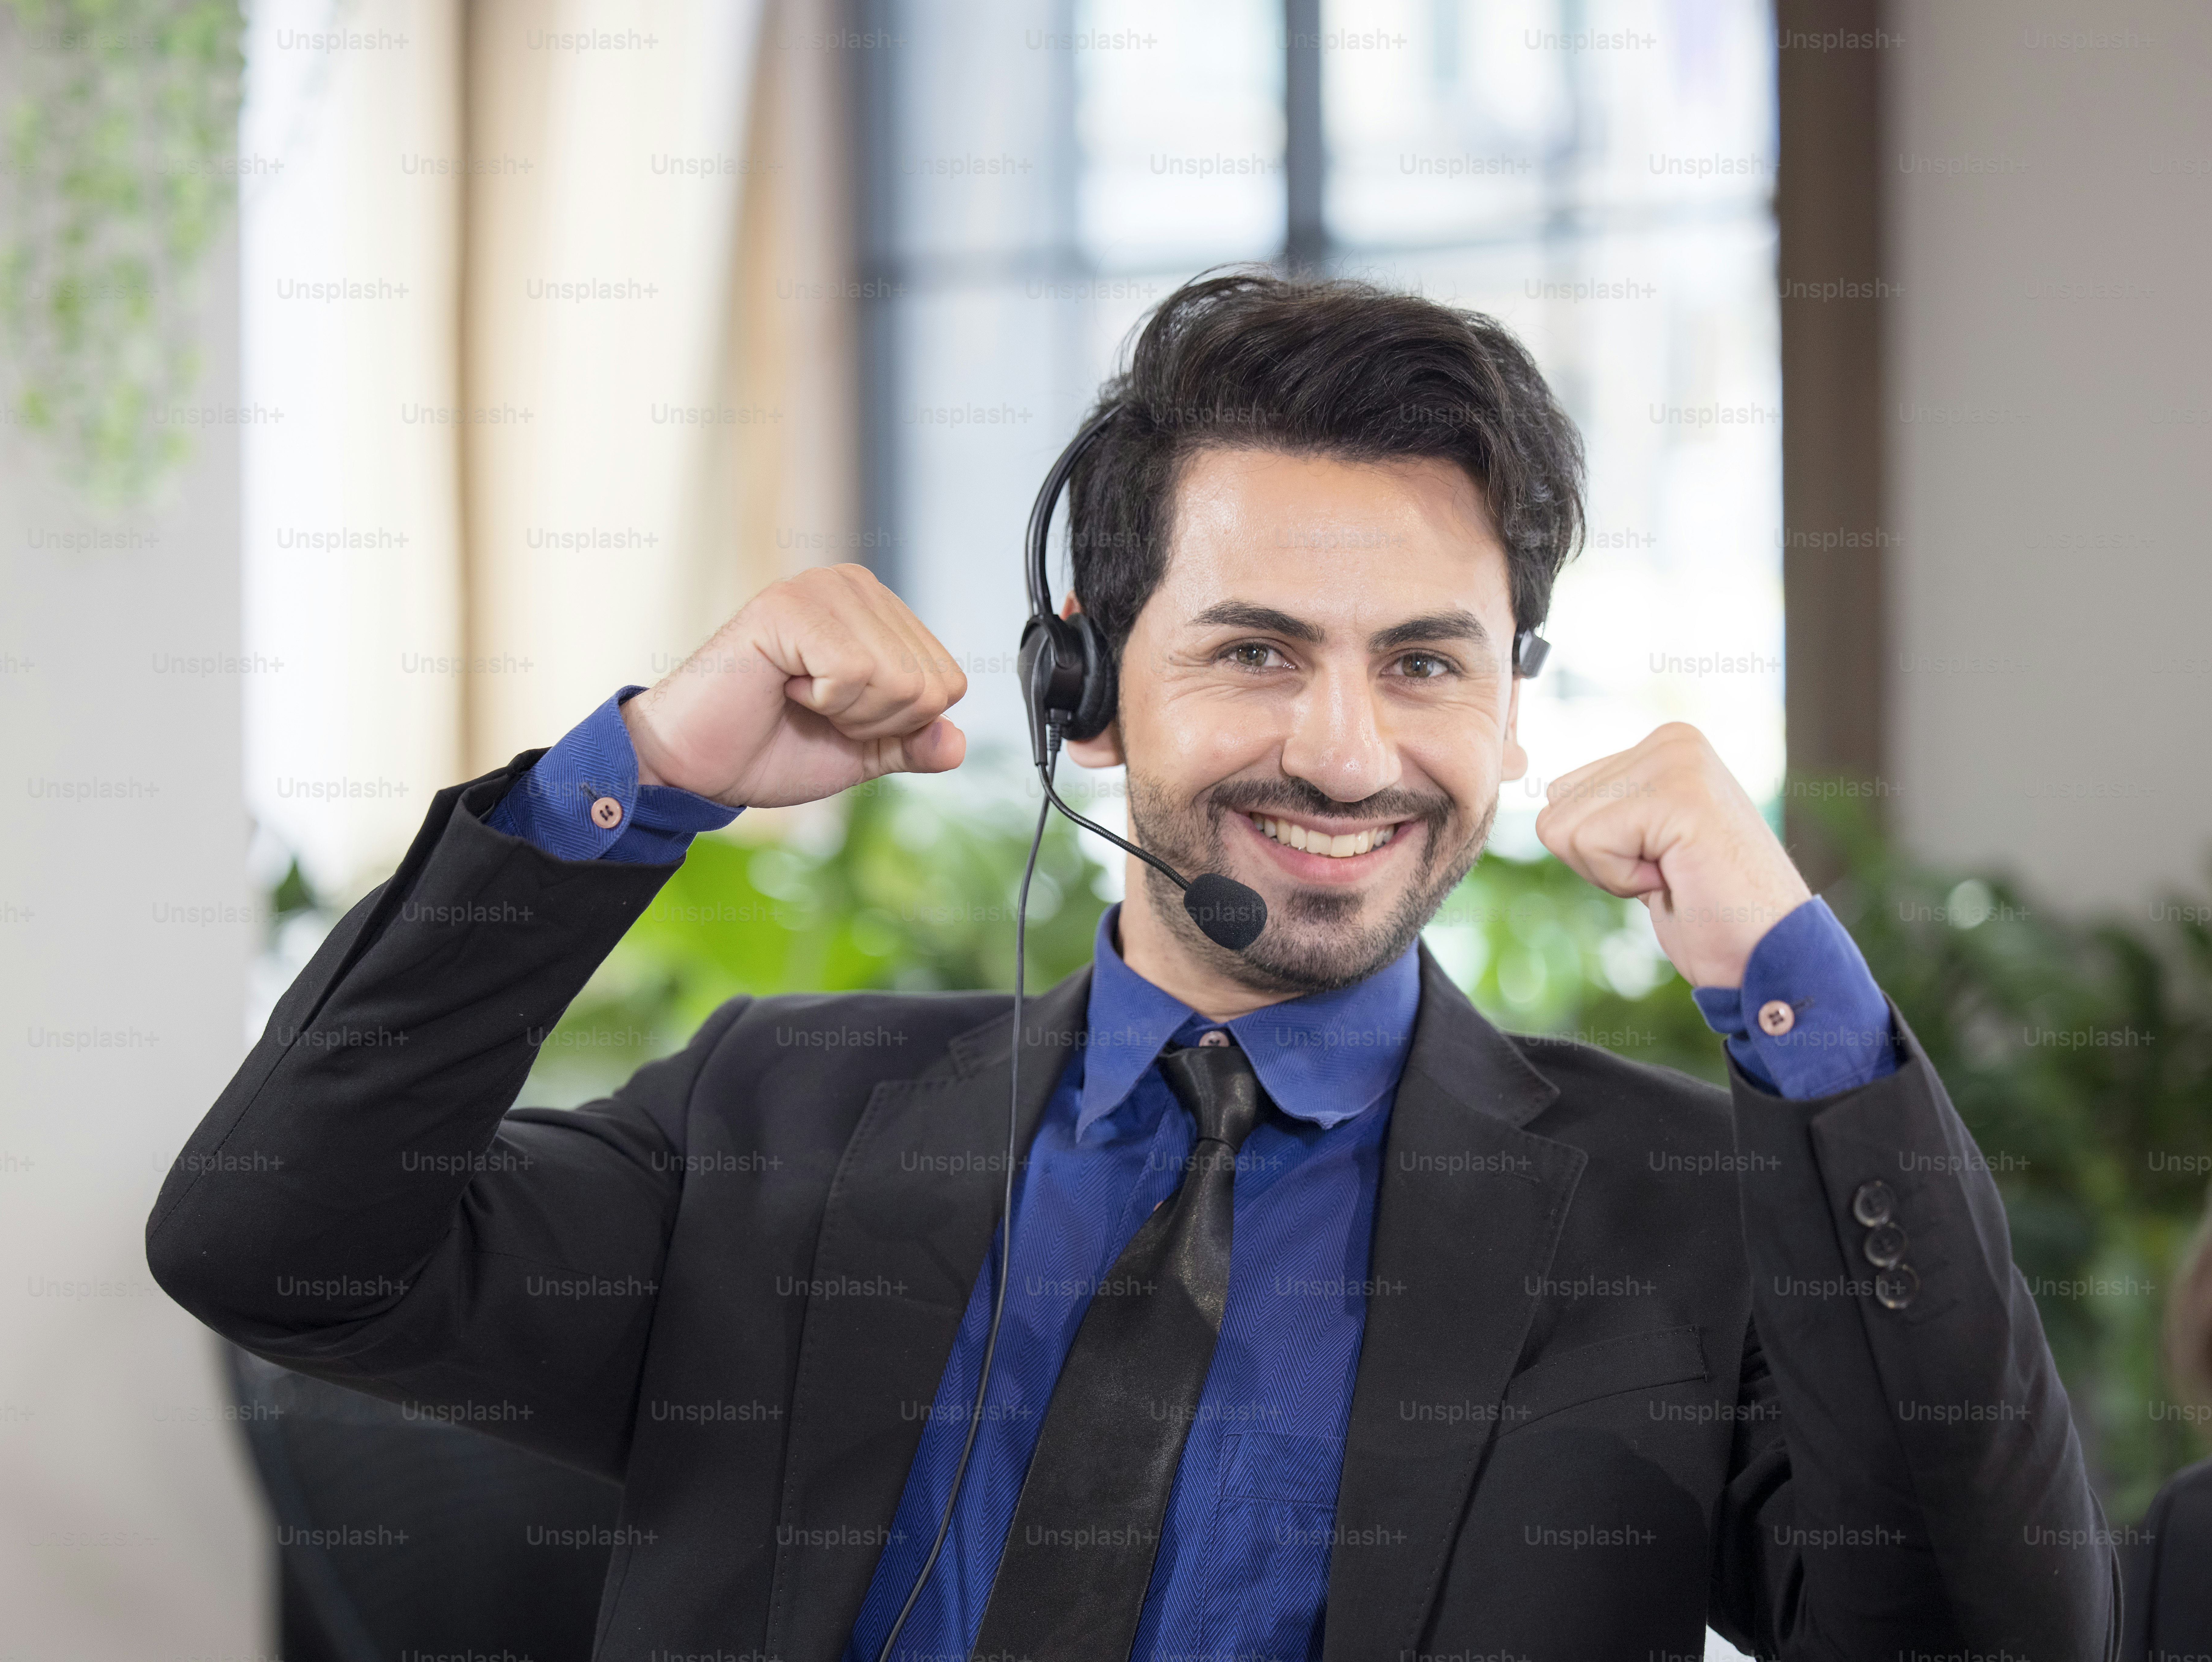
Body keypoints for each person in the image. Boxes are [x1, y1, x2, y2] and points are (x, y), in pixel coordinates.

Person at [150, 273, 2115, 1660]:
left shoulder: (1675, 1208)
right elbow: (274, 1238)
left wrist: (1812, 1010)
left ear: (1510, 713)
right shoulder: (775, 1117)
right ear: (1082, 693)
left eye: (1425, 662)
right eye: (1255, 649)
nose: (1347, 753)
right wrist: (643, 776)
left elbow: (2002, 1630)